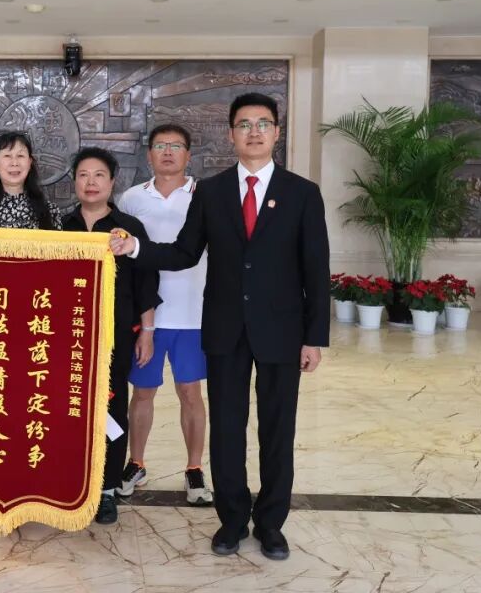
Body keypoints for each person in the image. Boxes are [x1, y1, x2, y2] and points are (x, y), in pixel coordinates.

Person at [109, 93, 330, 561]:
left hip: (282, 331)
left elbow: (315, 269)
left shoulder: (302, 193)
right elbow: (184, 252)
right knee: (228, 428)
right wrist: (135, 248)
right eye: (244, 124)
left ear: (276, 132)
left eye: (263, 123)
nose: (254, 132)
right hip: (225, 329)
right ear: (231, 135)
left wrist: (314, 337)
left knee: (277, 429)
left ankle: (271, 524)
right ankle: (231, 520)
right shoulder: (210, 192)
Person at [117, 123, 213, 507]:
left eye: (176, 146)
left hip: (194, 315)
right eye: (160, 146)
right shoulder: (130, 199)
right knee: (142, 392)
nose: (168, 152)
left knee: (191, 392)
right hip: (148, 317)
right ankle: (136, 462)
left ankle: (194, 468)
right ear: (149, 155)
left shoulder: (206, 196)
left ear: (188, 154)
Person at [61, 147, 159, 526]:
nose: (91, 182)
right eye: (83, 175)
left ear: (112, 181)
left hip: (114, 337)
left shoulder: (129, 228)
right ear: (74, 181)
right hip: (66, 338)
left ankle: (105, 489)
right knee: (68, 407)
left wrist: (146, 332)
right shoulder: (61, 227)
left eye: (99, 175)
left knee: (111, 407)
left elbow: (147, 284)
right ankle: (69, 481)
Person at [0, 131, 61, 230]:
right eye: (7, 156)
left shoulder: (50, 211)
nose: (14, 163)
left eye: (20, 156)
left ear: (30, 163)